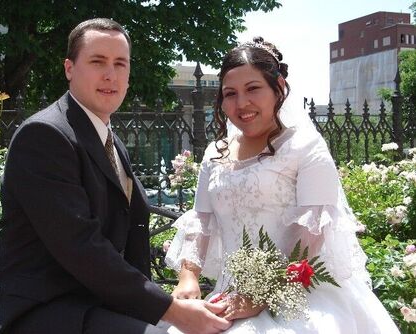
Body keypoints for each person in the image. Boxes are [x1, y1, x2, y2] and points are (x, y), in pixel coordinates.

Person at [0, 18, 232, 334]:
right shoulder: (44, 135)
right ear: (69, 68)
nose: (110, 74)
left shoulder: (109, 140)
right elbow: (81, 247)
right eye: (97, 61)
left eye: (120, 64)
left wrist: (159, 307)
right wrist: (171, 311)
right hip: (41, 311)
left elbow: (130, 229)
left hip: (95, 304)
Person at [165, 37, 400, 333]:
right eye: (230, 93)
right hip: (228, 297)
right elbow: (201, 220)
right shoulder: (215, 152)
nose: (242, 103)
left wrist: (260, 294)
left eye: (253, 89)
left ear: (279, 88)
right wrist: (188, 277)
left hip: (298, 297)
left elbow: (312, 233)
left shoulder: (305, 147)